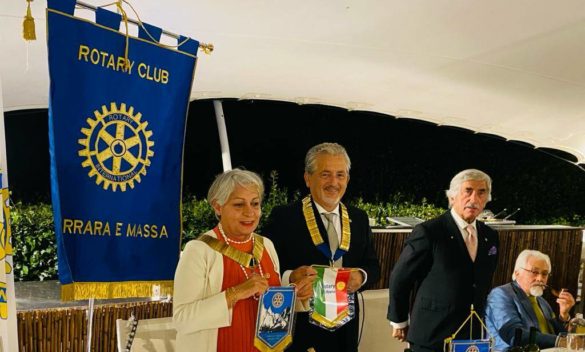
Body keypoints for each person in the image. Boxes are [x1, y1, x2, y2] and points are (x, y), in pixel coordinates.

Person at [173, 169, 314, 352]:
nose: (250, 212)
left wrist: (296, 293)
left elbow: (268, 307)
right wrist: (236, 293)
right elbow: (182, 320)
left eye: (255, 204)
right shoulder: (199, 250)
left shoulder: (267, 246)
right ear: (218, 207)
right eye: (239, 205)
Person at [264, 142, 381, 352]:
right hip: (298, 327)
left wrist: (361, 276)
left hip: (344, 328)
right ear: (308, 179)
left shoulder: (359, 217)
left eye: (340, 175)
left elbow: (373, 266)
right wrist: (290, 277)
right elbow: (265, 268)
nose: (334, 182)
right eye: (325, 174)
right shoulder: (284, 217)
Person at [387, 169, 500, 352]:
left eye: (482, 192)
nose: (474, 198)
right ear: (452, 196)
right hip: (432, 334)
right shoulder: (429, 232)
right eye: (468, 191)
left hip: (472, 337)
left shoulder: (490, 236)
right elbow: (400, 277)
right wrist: (399, 320)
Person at [485, 249, 576, 351]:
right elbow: (515, 335)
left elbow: (557, 334)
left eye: (545, 274)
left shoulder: (542, 302)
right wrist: (562, 341)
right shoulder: (501, 294)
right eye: (534, 272)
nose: (540, 278)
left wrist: (564, 316)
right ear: (517, 272)